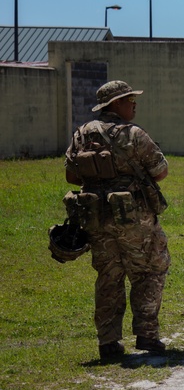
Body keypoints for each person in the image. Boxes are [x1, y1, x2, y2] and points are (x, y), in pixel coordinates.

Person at [64, 81, 170, 360]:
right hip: (134, 219)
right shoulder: (133, 134)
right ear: (115, 104)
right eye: (129, 99)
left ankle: (108, 343)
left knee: (108, 277)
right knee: (148, 272)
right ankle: (147, 336)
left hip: (96, 218)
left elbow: (71, 176)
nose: (134, 103)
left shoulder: (82, 134)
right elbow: (160, 172)